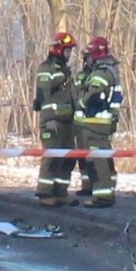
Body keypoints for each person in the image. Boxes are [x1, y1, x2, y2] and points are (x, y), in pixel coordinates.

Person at [74, 35, 123, 208]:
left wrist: (78, 102)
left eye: (88, 56)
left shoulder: (100, 75)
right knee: (100, 158)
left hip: (95, 125)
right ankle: (103, 190)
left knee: (98, 160)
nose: (86, 60)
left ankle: (103, 196)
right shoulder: (109, 72)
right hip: (98, 125)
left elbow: (91, 99)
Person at [34, 32, 80, 207]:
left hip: (67, 123)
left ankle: (60, 192)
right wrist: (48, 120)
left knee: (68, 158)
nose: (70, 54)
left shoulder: (64, 70)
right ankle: (45, 193)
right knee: (52, 158)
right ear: (59, 49)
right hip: (52, 123)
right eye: (68, 51)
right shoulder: (47, 68)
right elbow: (43, 96)